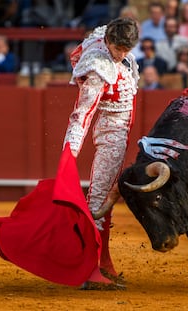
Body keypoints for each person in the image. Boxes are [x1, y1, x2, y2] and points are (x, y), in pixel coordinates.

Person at [63, 17, 139, 289]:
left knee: (105, 200)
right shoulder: (97, 68)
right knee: (98, 202)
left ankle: (104, 263)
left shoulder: (110, 40)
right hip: (111, 134)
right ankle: (87, 271)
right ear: (107, 41)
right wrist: (69, 154)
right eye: (117, 49)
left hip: (117, 131)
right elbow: (81, 115)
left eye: (126, 50)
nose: (121, 55)